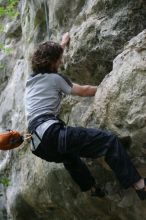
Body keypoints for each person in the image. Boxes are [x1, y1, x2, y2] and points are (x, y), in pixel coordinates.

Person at [24, 32, 146, 200]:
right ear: (52, 63)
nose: (61, 62)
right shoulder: (55, 78)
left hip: (38, 145)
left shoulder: (30, 81)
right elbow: (83, 91)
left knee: (69, 155)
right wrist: (106, 86)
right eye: (59, 61)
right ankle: (140, 185)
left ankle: (91, 188)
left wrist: (63, 44)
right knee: (109, 141)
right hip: (50, 133)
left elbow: (51, 54)